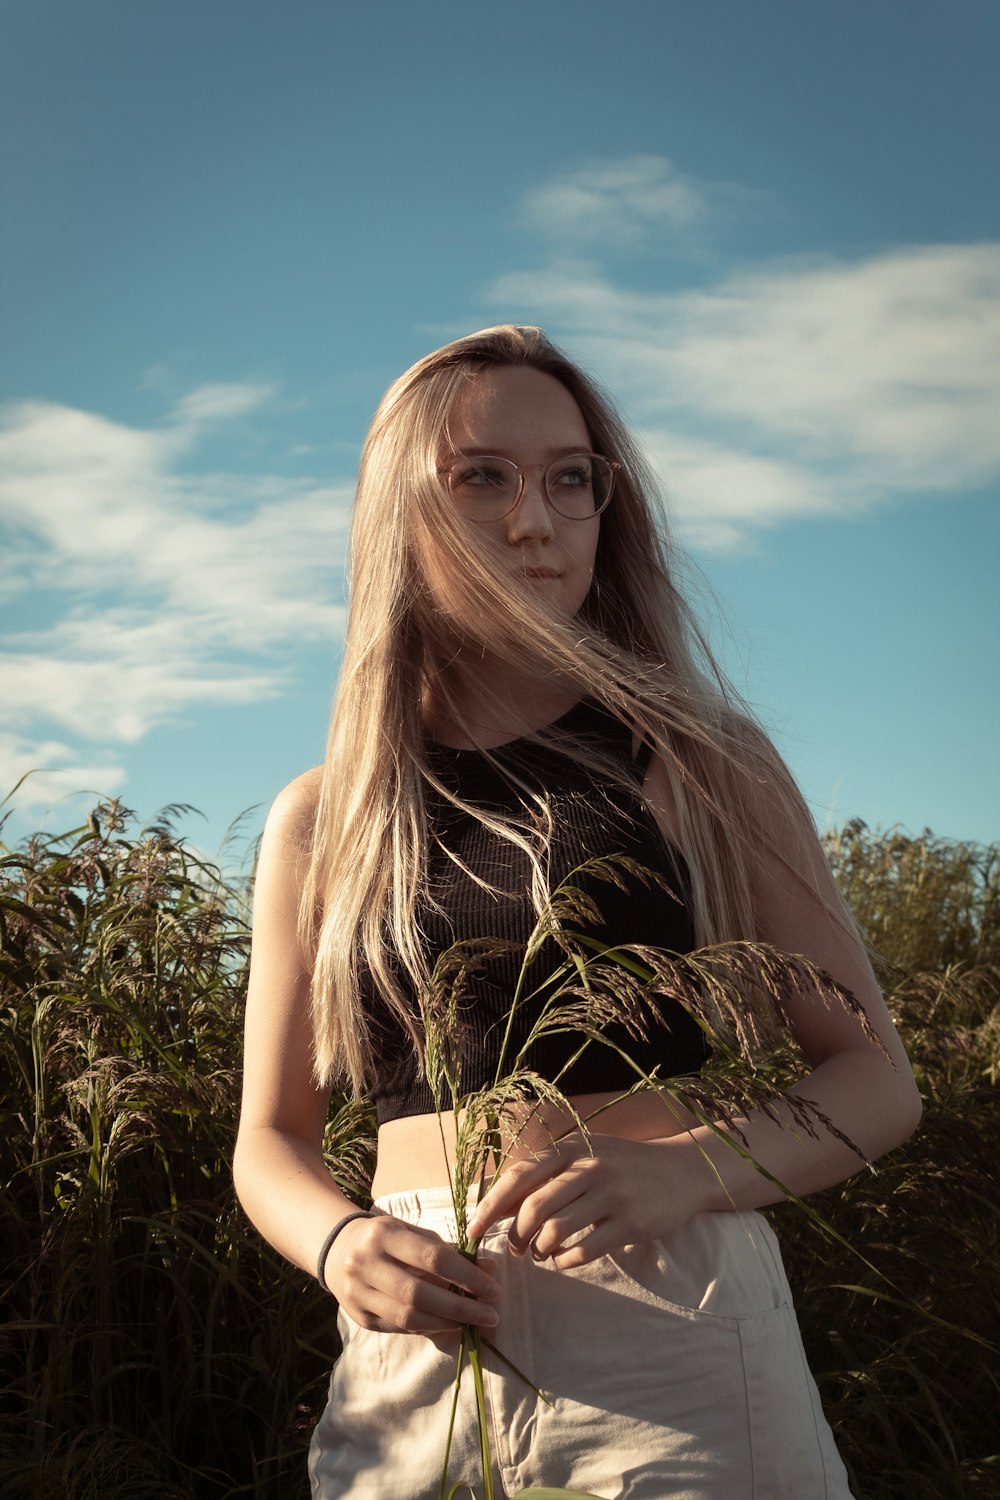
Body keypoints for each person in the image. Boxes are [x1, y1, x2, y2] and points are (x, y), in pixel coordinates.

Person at [233, 325, 922, 1499]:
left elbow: (874, 1081)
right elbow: (272, 1140)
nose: (534, 519)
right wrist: (343, 1245)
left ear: (611, 509)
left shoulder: (703, 762)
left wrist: (682, 1175)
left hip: (667, 1327)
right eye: (482, 477)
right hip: (410, 1362)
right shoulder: (327, 813)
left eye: (570, 478)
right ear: (401, 507)